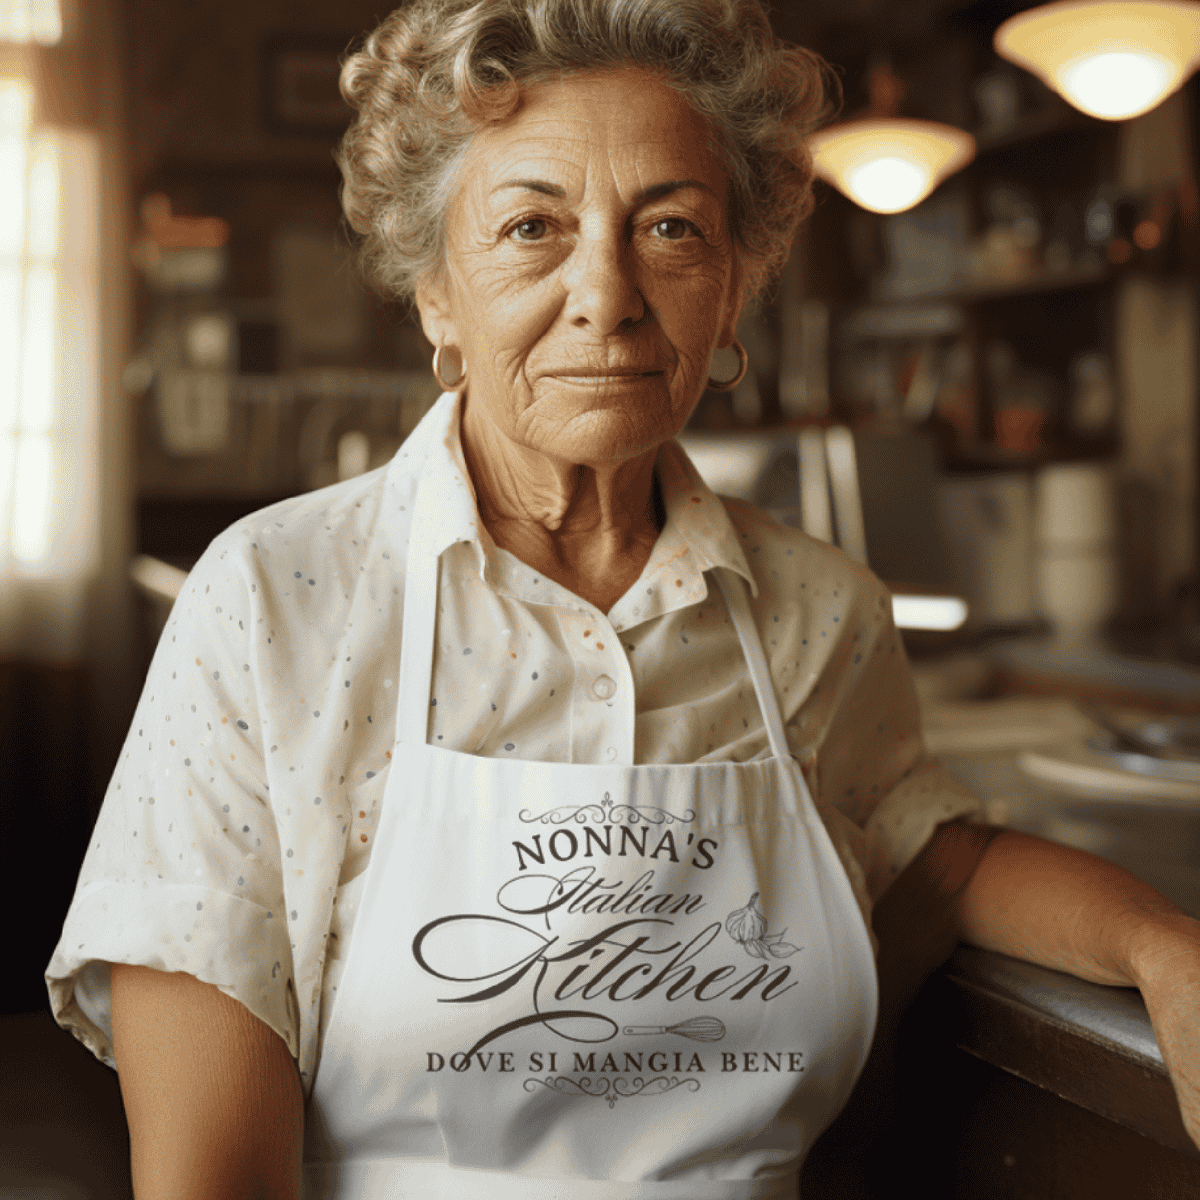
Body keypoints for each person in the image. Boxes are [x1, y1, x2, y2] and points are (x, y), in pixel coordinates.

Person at [47, 1, 1199, 1197]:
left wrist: (1161, 945)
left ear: (734, 287)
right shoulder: (273, 605)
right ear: (436, 293)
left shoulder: (817, 612)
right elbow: (212, 1180)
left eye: (670, 228)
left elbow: (938, 862)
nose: (607, 292)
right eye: (531, 227)